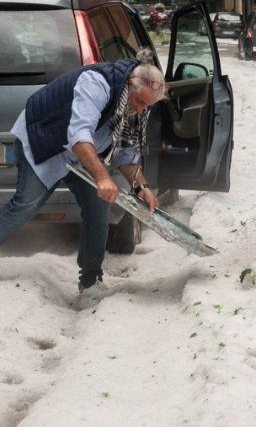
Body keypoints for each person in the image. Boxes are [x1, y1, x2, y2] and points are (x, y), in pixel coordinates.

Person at [0, 50, 169, 295]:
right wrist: (102, 177)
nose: (142, 110)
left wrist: (141, 187)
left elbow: (126, 152)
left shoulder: (136, 103)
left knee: (98, 210)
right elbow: (78, 136)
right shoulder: (96, 83)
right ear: (131, 84)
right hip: (44, 140)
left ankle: (90, 281)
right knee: (25, 205)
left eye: (147, 106)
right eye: (140, 102)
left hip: (84, 154)